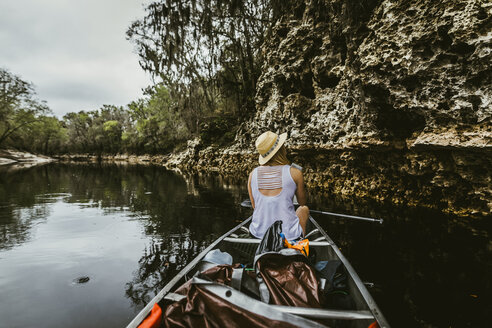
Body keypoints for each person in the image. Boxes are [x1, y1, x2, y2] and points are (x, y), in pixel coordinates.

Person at [248, 131, 309, 240]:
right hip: (288, 236)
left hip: (257, 234)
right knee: (304, 209)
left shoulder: (252, 174)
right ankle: (298, 240)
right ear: (281, 149)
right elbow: (302, 202)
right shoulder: (295, 173)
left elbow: (255, 206)